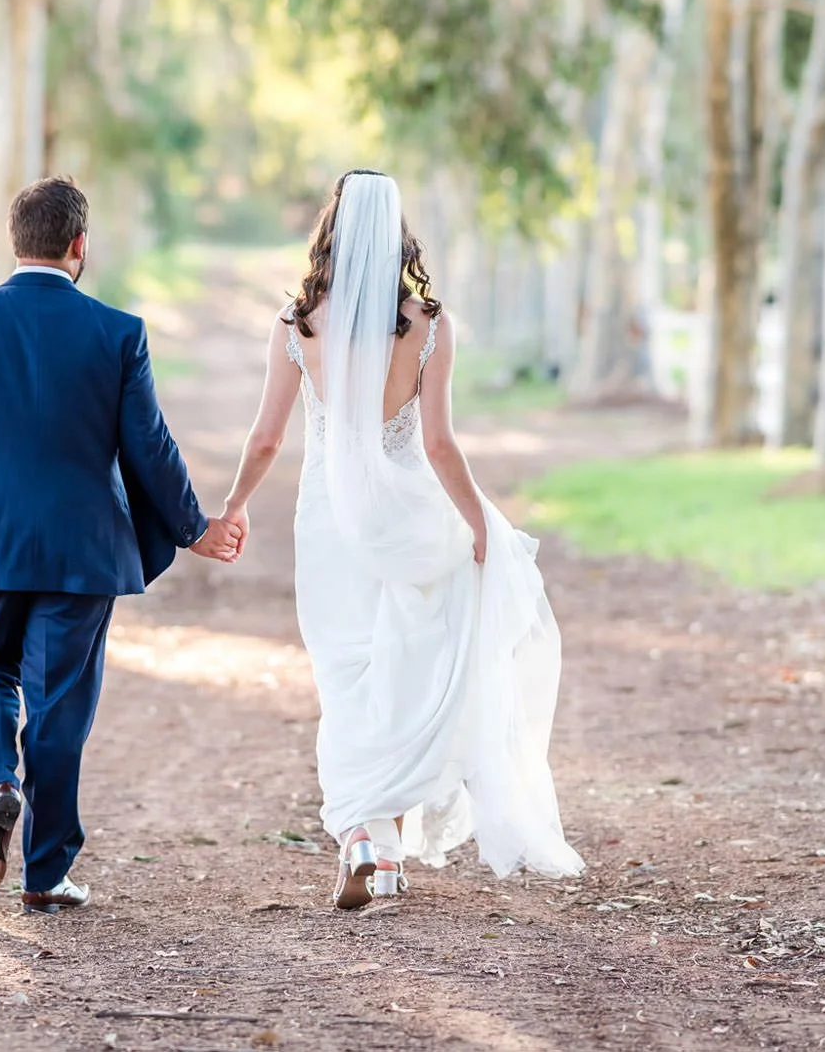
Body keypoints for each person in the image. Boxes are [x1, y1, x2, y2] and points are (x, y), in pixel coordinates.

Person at [217, 169, 584, 909]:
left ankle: (370, 842)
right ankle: (379, 843)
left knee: (345, 672)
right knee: (406, 667)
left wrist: (233, 507)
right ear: (396, 237)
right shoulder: (429, 324)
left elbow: (264, 439)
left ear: (333, 231)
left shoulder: (298, 324)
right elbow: (442, 444)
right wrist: (480, 523)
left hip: (330, 517)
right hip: (409, 512)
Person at [0, 177, 241, 915]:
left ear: (13, 242)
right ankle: (45, 872)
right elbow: (148, 444)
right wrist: (195, 527)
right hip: (83, 550)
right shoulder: (117, 332)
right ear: (79, 245)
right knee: (57, 707)